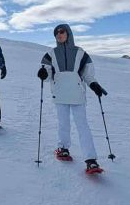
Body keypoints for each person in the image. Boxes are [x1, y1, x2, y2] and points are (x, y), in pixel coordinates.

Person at [37, 23, 107, 173]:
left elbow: (87, 74)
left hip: (76, 94)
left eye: (62, 32)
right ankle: (63, 149)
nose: (59, 35)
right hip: (60, 94)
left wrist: (94, 85)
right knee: (63, 123)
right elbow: (47, 73)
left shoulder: (80, 53)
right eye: (56, 33)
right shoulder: (51, 54)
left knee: (82, 126)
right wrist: (43, 74)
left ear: (68, 33)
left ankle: (91, 160)